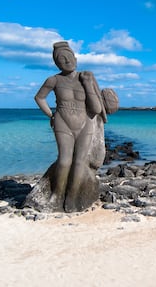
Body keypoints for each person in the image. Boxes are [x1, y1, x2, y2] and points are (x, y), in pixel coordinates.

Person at [34, 41, 106, 212]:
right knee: (65, 161)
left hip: (85, 123)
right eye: (61, 59)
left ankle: (72, 196)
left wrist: (88, 84)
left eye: (69, 57)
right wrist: (51, 115)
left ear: (75, 57)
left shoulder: (85, 78)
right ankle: (57, 195)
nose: (67, 61)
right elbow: (39, 98)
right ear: (56, 63)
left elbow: (96, 109)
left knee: (80, 161)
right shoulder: (54, 80)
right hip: (63, 121)